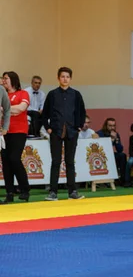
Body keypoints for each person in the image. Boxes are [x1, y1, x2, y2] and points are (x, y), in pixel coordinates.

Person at [41, 67, 86, 201]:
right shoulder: (52, 94)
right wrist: (48, 128)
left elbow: (81, 112)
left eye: (67, 77)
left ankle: (72, 191)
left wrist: (79, 127)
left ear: (70, 79)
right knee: (55, 161)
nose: (65, 79)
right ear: (58, 78)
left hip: (72, 131)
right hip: (56, 131)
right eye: (62, 76)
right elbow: (44, 114)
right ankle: (53, 192)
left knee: (70, 161)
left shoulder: (76, 95)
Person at [1, 72, 30, 204]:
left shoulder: (22, 93)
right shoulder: (3, 94)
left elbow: (21, 108)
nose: (3, 81)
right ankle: (9, 193)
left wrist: (5, 109)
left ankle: (25, 189)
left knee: (14, 158)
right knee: (5, 162)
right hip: (4, 132)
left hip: (19, 131)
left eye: (6, 78)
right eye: (3, 79)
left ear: (13, 80)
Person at [97, 118, 127, 185]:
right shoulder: (100, 134)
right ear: (106, 126)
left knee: (122, 155)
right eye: (110, 126)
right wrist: (112, 139)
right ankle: (106, 180)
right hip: (101, 155)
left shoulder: (115, 134)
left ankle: (122, 179)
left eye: (113, 125)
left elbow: (120, 149)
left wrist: (116, 139)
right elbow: (104, 149)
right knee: (110, 158)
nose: (112, 127)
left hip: (111, 154)